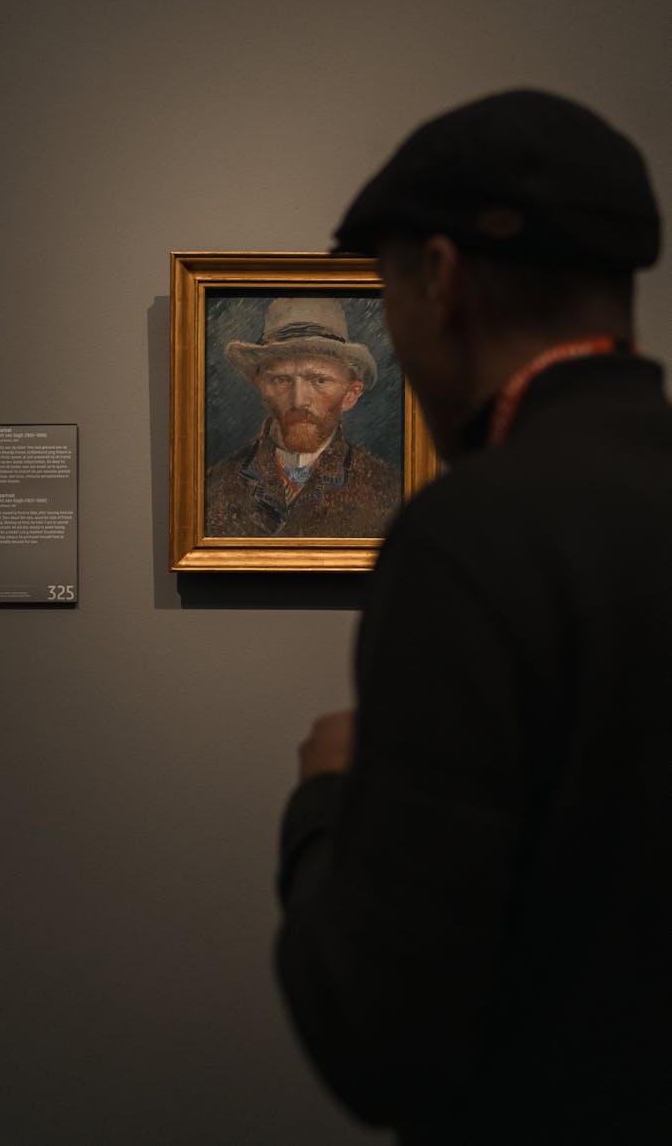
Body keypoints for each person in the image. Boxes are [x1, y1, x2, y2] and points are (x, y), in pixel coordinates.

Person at [275, 89, 670, 1145]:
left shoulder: (472, 536)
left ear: (441, 280)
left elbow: (381, 1037)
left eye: (386, 296)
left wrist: (326, 805)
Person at [205, 296, 399, 536]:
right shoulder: (214, 486)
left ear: (350, 394)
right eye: (281, 379)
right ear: (262, 387)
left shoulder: (388, 490)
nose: (298, 401)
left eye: (319, 380)